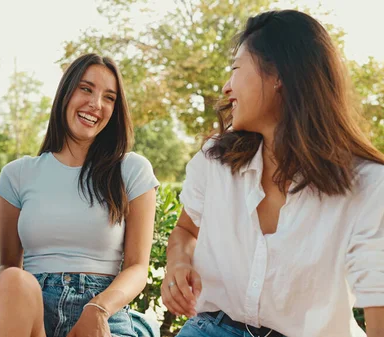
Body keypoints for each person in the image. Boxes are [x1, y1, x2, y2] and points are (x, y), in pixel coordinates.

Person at [162, 9, 384, 337]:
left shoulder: (369, 184)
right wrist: (178, 264)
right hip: (211, 328)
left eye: (236, 68)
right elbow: (185, 230)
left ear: (279, 75)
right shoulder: (215, 162)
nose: (225, 87)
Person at [0, 53, 160, 337]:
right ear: (66, 92)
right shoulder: (17, 175)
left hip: (103, 314)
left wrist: (98, 308)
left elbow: (138, 267)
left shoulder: (132, 169)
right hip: (32, 313)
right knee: (13, 278)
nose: (95, 104)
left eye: (109, 97)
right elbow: (8, 266)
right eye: (86, 88)